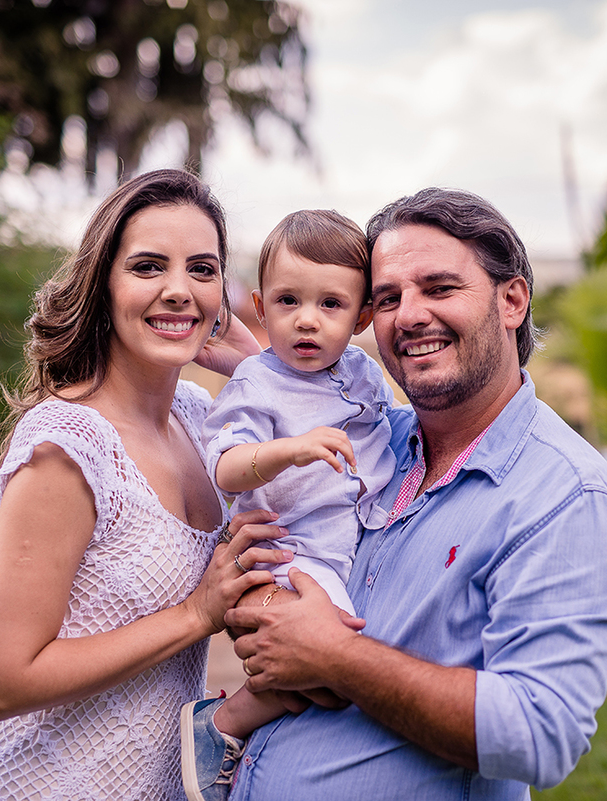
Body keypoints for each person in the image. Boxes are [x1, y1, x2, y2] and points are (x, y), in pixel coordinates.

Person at [221, 188, 607, 800]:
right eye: (388, 297)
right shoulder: (371, 444)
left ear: (512, 300)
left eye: (439, 288)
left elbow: (539, 733)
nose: (409, 315)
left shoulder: (566, 495)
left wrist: (335, 656)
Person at [0, 169, 286, 801]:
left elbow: (325, 424)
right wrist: (195, 615)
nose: (178, 291)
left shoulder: (197, 419)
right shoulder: (70, 446)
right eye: (147, 267)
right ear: (103, 284)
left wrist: (249, 363)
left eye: (202, 269)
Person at [180, 210, 395, 800]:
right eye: (287, 301)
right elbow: (224, 468)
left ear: (363, 317)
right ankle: (223, 723)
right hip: (285, 551)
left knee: (335, 678)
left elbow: (389, 438)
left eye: (331, 304)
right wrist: (288, 451)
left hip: (338, 551)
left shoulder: (364, 375)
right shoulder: (258, 380)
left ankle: (249, 747)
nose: (307, 320)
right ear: (259, 304)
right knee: (338, 673)